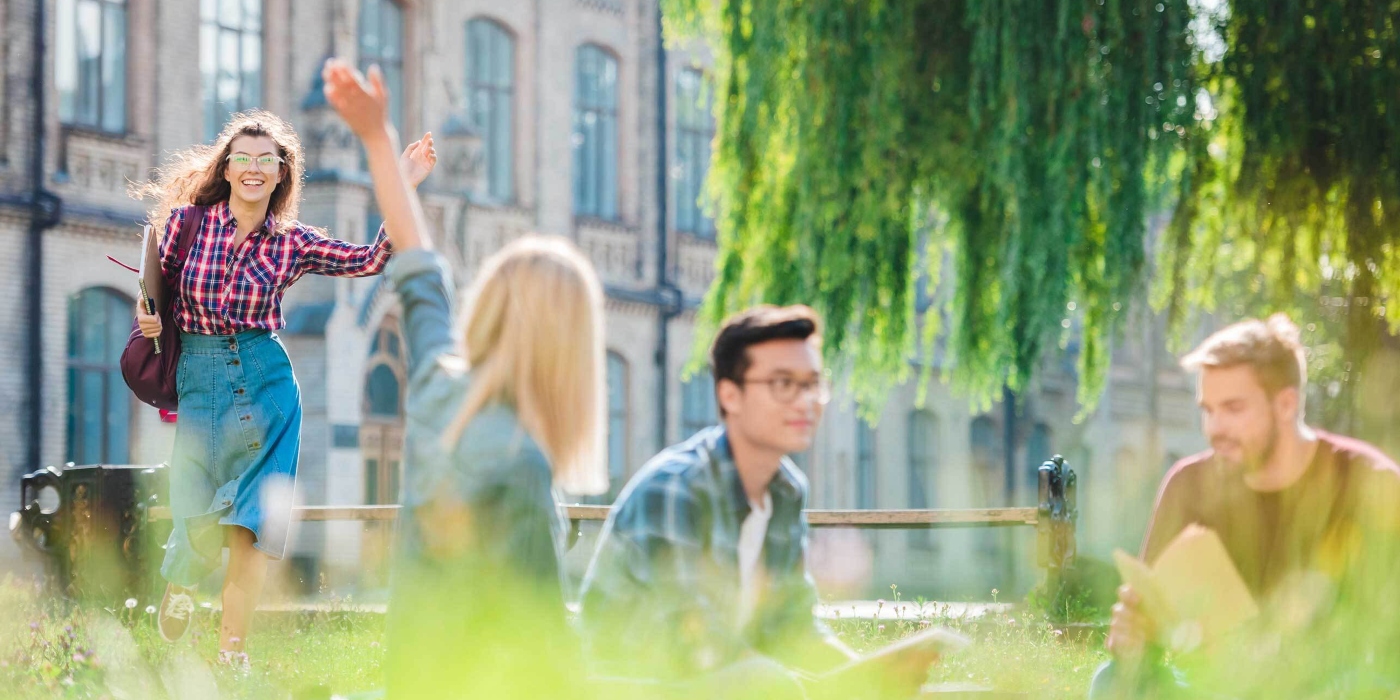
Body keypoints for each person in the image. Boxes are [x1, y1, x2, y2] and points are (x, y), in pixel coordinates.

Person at [322, 58, 609, 698]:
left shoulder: (434, 388)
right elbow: (544, 653)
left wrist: (379, 142)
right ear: (571, 351)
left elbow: (421, 271)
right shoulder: (519, 463)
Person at [133, 108, 437, 665]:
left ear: (280, 174)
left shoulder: (291, 242)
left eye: (265, 161)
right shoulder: (185, 224)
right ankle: (180, 579)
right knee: (195, 508)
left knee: (252, 522)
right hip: (199, 381)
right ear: (226, 169)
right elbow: (153, 290)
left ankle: (232, 652)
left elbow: (370, 261)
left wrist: (403, 183)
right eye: (242, 159)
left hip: (267, 383)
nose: (252, 169)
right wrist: (147, 316)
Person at [578, 305, 942, 700]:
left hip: (720, 683)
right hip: (628, 684)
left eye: (814, 383)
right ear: (730, 394)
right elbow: (693, 641)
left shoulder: (786, 491)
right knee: (767, 682)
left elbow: (794, 624)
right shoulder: (675, 488)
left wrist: (864, 673)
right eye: (783, 383)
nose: (806, 401)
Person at [1092, 314, 1400, 699]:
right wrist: (1132, 635)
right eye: (1208, 409)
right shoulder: (1187, 485)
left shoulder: (1371, 484)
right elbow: (1149, 628)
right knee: (1112, 682)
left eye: (1234, 408)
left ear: (1285, 404)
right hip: (1215, 687)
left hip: (1330, 687)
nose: (1215, 428)